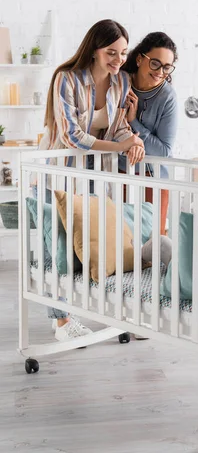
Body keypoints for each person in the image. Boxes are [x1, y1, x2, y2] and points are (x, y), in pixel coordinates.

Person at [39, 19, 145, 342]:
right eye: (111, 52)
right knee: (58, 243)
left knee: (101, 242)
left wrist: (134, 139)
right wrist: (119, 146)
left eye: (123, 53)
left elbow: (116, 130)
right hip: (62, 171)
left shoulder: (122, 83)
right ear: (94, 49)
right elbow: (73, 136)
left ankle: (111, 308)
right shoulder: (66, 79)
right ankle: (61, 321)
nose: (118, 59)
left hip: (97, 175)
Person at [121, 32, 178, 235]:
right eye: (155, 63)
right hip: (120, 171)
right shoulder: (120, 83)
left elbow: (164, 151)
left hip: (154, 176)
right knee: (121, 238)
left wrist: (133, 121)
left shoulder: (167, 97)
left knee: (155, 241)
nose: (160, 72)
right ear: (139, 59)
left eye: (166, 67)